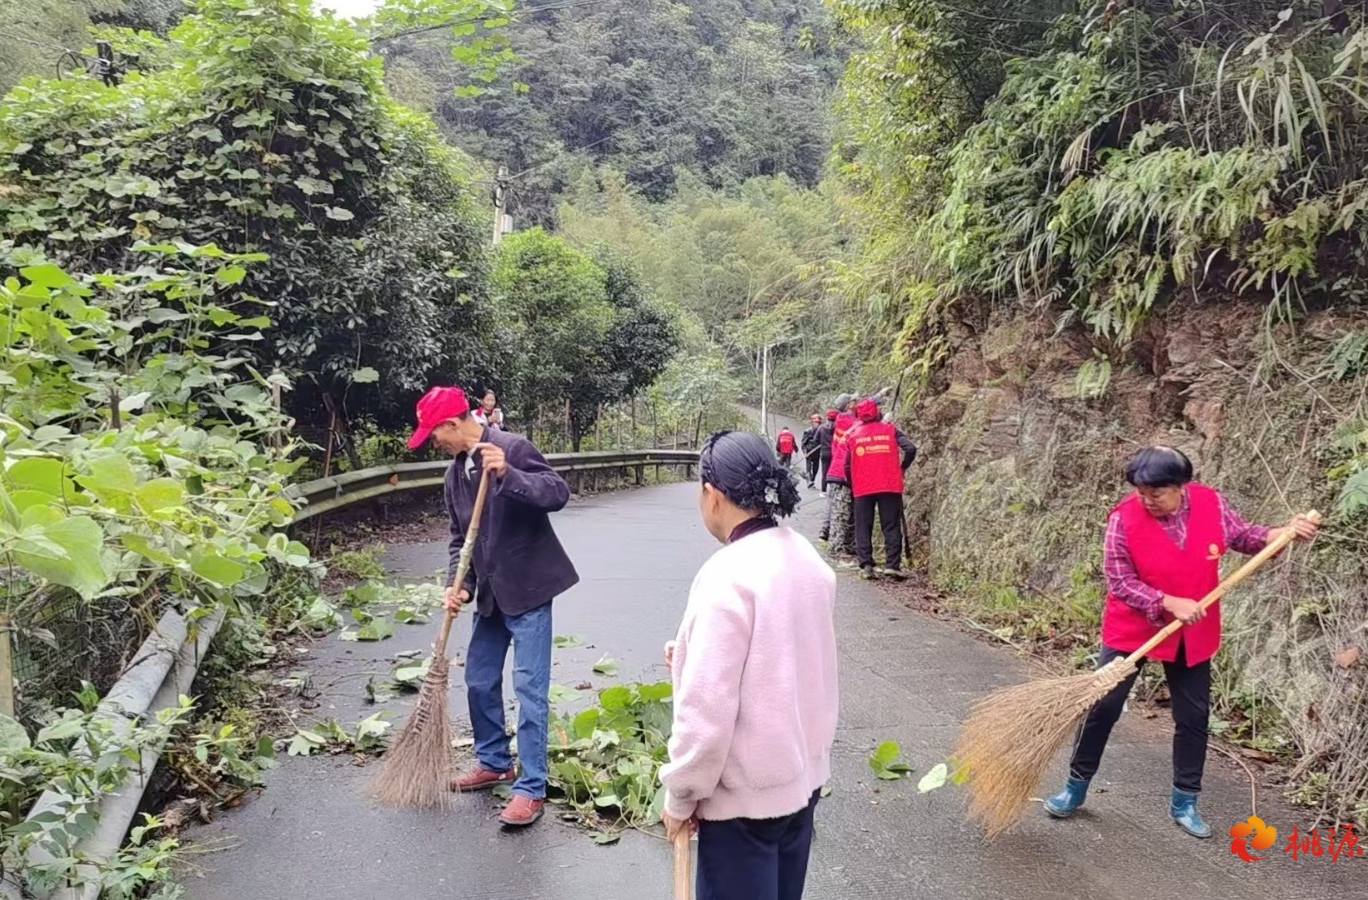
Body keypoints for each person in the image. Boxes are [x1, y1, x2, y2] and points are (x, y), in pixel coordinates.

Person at [1042, 446, 1319, 838]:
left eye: (1156, 493)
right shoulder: (1123, 519)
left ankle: (1185, 801)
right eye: (1141, 492)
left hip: (1192, 630)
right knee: (1103, 706)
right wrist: (1167, 602)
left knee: (1193, 717)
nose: (1146, 500)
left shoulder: (1210, 503)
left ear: (1181, 487)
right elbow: (1119, 582)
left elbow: (1243, 536)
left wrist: (1284, 534)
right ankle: (1075, 787)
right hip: (1133, 628)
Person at [660, 430, 838, 900]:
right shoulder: (806, 558)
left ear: (712, 495)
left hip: (744, 802)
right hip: (800, 783)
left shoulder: (727, 577)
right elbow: (787, 657)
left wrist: (681, 795)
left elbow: (706, 709)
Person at [405, 386, 579, 828]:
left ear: (452, 423)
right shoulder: (454, 474)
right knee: (479, 678)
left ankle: (531, 787)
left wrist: (509, 475)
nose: (433, 441)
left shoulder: (511, 448)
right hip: (490, 594)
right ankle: (494, 761)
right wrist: (457, 585)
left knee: (529, 689)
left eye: (434, 433)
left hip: (529, 589)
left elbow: (557, 493)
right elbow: (457, 539)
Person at [844, 399, 917, 580]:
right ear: (878, 412)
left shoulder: (853, 435)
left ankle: (866, 565)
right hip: (889, 484)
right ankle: (892, 565)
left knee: (863, 525)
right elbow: (911, 448)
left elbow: (847, 465)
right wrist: (902, 468)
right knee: (890, 525)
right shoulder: (890, 430)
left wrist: (851, 484)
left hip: (862, 486)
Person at [819, 395, 858, 560]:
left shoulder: (842, 421)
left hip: (842, 472)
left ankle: (846, 546)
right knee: (841, 512)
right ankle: (837, 547)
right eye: (854, 401)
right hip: (840, 473)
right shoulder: (845, 420)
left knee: (846, 511)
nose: (857, 403)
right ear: (848, 405)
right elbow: (864, 423)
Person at [816, 409, 836, 495]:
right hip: (834, 453)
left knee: (825, 472)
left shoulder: (821, 427)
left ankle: (823, 490)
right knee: (834, 472)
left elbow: (816, 439)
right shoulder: (837, 428)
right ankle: (832, 490)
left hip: (824, 452)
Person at [800, 414, 822, 489]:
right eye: (816, 422)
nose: (817, 424)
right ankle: (809, 482)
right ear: (812, 423)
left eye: (819, 423)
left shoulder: (821, 431)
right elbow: (803, 444)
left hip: (817, 453)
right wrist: (805, 452)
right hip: (809, 452)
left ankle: (812, 480)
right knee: (809, 469)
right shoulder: (808, 431)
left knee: (815, 469)